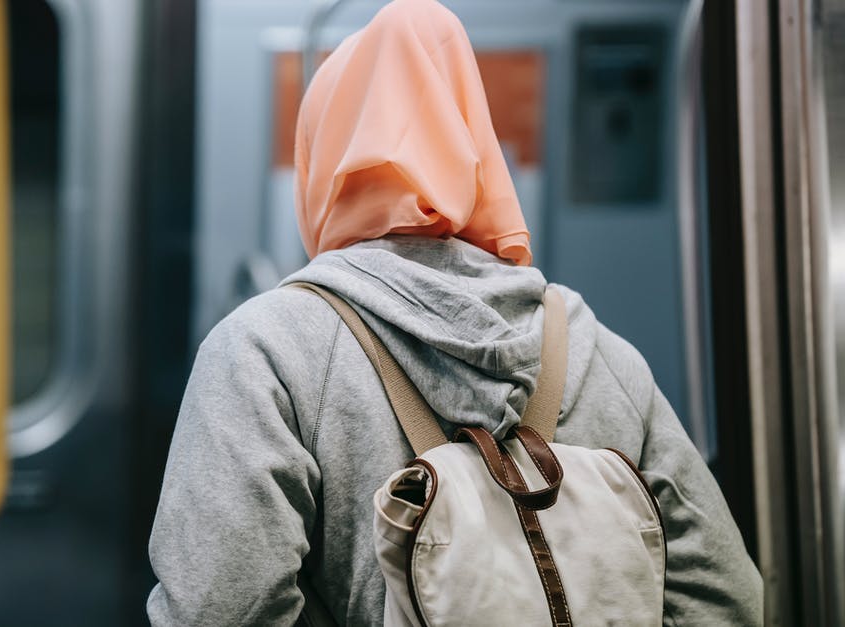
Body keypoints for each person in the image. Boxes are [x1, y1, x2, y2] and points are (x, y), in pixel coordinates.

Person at [146, 0, 763, 624]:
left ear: (321, 167)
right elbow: (727, 599)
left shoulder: (265, 352)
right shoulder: (603, 355)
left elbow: (218, 608)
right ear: (473, 143)